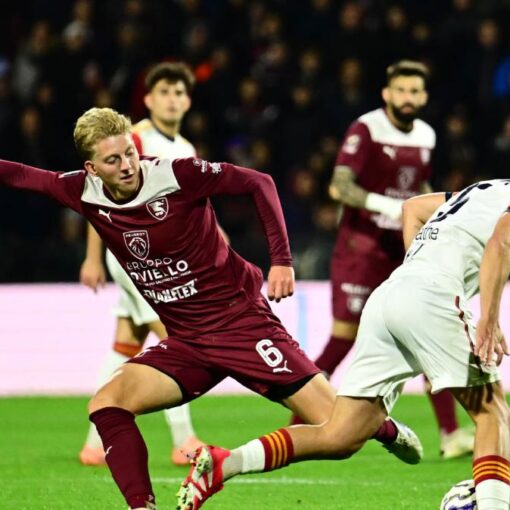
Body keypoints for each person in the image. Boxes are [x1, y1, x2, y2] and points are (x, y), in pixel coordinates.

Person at [0, 107, 422, 510]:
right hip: (188, 343)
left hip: (242, 324)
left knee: (342, 434)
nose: (127, 165)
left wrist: (281, 260)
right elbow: (19, 175)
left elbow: (259, 182)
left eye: (130, 152)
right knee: (106, 404)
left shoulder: (175, 175)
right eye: (113, 160)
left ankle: (382, 427)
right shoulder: (82, 190)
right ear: (92, 169)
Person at [178, 181, 510, 510]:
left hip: (390, 296)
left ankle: (227, 463)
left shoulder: (488, 189)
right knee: (491, 413)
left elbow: (413, 208)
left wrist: (417, 268)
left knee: (340, 435)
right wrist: (490, 318)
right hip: (432, 297)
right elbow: (499, 244)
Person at [301, 59, 473, 458]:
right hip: (362, 248)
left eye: (415, 91)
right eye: (401, 90)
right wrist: (390, 206)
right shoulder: (367, 129)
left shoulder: (426, 135)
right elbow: (339, 187)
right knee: (344, 336)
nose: (408, 98)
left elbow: (421, 186)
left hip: (404, 249)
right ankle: (299, 422)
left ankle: (450, 434)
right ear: (386, 93)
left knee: (427, 333)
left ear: (424, 97)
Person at [78, 62, 205, 467]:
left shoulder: (185, 148)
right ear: (148, 99)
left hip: (162, 259)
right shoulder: (133, 140)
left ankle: (95, 443)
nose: (173, 100)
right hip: (135, 259)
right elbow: (99, 196)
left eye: (179, 92)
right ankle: (184, 441)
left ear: (188, 101)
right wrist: (93, 256)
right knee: (180, 340)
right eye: (164, 92)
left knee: (125, 345)